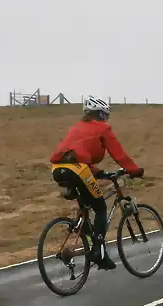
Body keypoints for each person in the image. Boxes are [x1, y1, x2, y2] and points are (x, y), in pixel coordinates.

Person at [49, 95, 144, 270]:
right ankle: (98, 252)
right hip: (77, 169)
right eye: (106, 115)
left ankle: (84, 228)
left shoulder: (76, 128)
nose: (107, 119)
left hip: (57, 169)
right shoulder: (102, 128)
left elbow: (76, 156)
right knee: (100, 207)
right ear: (101, 115)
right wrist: (134, 170)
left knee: (86, 205)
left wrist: (99, 173)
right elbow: (119, 154)